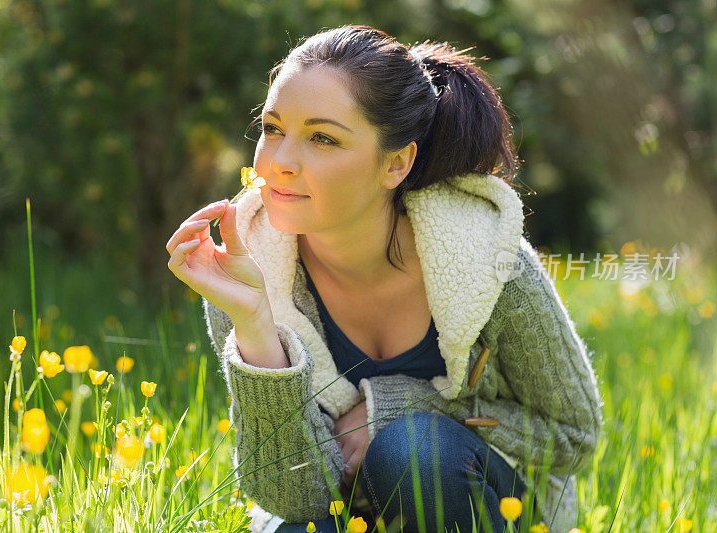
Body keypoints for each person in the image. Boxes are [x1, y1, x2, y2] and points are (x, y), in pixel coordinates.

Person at [166, 24, 603, 533]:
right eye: (272, 128)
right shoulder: (246, 267)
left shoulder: (487, 258)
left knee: (415, 454)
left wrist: (400, 407)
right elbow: (296, 497)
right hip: (348, 515)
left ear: (395, 163)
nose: (279, 162)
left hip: (489, 503)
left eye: (322, 137)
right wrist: (255, 325)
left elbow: (573, 433)